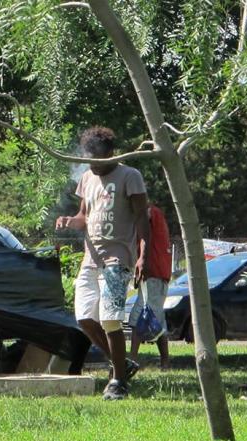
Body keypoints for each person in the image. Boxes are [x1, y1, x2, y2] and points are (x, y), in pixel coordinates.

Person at [56, 126, 149, 400]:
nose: (92, 164)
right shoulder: (86, 178)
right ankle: (122, 363)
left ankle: (118, 381)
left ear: (111, 153)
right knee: (84, 317)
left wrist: (143, 255)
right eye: (88, 158)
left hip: (117, 259)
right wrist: (70, 222)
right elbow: (84, 215)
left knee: (110, 319)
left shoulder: (130, 177)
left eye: (97, 158)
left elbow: (143, 219)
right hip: (90, 259)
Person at [128, 204, 172, 369]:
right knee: (155, 318)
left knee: (140, 315)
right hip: (155, 273)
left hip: (154, 273)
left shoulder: (151, 212)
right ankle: (165, 362)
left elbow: (142, 215)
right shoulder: (155, 215)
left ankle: (131, 361)